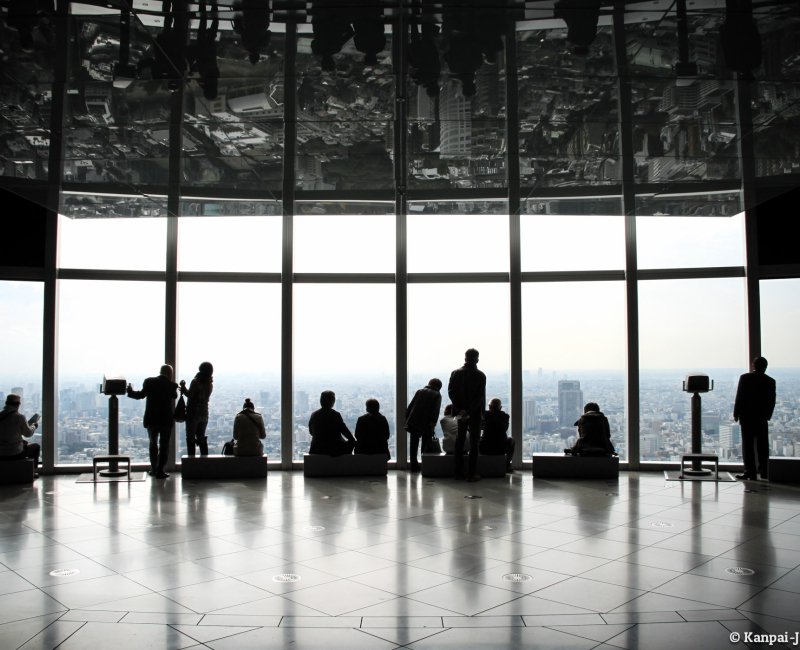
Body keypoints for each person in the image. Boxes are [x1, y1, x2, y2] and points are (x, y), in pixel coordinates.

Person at [126, 364, 179, 478]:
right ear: (170, 374)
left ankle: (154, 469)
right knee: (164, 445)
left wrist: (130, 392)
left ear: (160, 371)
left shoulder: (149, 382)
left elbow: (140, 395)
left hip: (152, 419)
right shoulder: (171, 385)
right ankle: (160, 470)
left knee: (153, 444)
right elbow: (175, 396)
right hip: (165, 420)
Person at [734, 356, 776, 481]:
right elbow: (771, 401)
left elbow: (739, 396)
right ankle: (764, 472)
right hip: (761, 418)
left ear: (753, 365)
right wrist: (767, 416)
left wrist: (736, 413)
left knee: (748, 446)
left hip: (747, 417)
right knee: (762, 445)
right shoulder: (770, 381)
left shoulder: (745, 378)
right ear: (765, 367)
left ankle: (750, 472)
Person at [448, 348, 486, 481]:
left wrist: (461, 409)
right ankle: (471, 473)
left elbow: (451, 393)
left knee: (459, 441)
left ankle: (457, 472)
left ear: (465, 358)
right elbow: (479, 397)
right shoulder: (480, 375)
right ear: (477, 359)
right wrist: (469, 410)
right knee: (474, 443)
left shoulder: (455, 373)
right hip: (474, 413)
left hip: (459, 412)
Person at [405, 378, 442, 471]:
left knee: (414, 444)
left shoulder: (420, 391)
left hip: (414, 420)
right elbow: (435, 411)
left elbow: (411, 406)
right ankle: (425, 465)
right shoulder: (437, 395)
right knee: (425, 445)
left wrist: (407, 418)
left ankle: (414, 465)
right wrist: (432, 424)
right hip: (426, 423)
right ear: (439, 387)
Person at [0, 394, 40, 476]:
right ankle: (32, 472)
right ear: (18, 405)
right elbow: (28, 434)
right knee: (36, 447)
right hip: (15, 453)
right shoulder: (19, 417)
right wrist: (34, 426)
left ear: (6, 403)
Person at [180, 361, 214, 456]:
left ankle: (191, 461)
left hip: (193, 413)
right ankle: (204, 461)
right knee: (201, 437)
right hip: (204, 414)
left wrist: (183, 387)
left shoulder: (196, 381)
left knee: (190, 438)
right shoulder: (209, 384)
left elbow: (190, 395)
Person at [308, 390, 355, 456]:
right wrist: (352, 440)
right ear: (332, 402)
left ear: (321, 401)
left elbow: (311, 432)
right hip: (334, 449)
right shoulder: (335, 415)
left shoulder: (314, 414)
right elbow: (346, 432)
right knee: (352, 442)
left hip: (316, 449)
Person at [479, 398, 514, 472]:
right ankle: (507, 464)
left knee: (477, 439)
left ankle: (478, 464)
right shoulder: (505, 416)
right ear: (500, 408)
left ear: (489, 406)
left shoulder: (485, 415)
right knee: (511, 440)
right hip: (501, 448)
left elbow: (481, 427)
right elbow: (505, 429)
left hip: (485, 448)